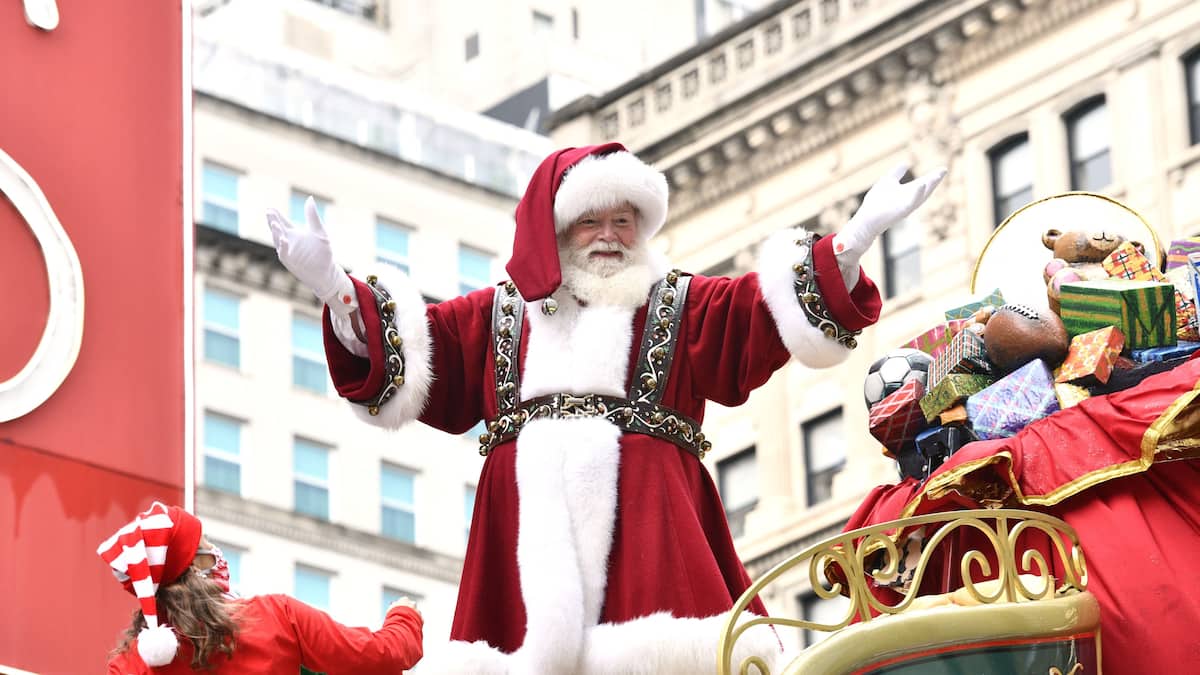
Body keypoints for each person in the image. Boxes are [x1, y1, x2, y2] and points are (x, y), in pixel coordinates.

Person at [267, 143, 944, 673]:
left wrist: (852, 238)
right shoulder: (499, 316)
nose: (611, 234)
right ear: (557, 229)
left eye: (625, 220)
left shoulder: (677, 303)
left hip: (657, 558)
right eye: (592, 218)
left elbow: (759, 312)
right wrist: (336, 290)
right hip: (521, 572)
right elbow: (408, 358)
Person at [99, 501, 424, 673]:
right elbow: (379, 657)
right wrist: (403, 616)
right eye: (206, 544)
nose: (216, 552)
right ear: (194, 565)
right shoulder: (275, 617)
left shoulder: (130, 665)